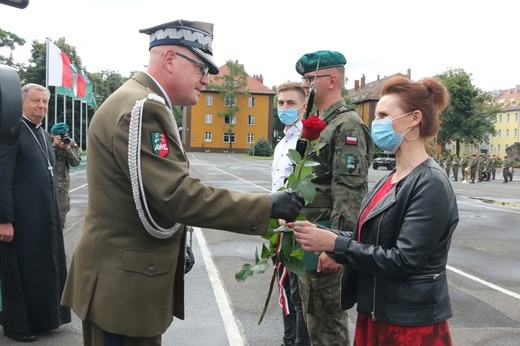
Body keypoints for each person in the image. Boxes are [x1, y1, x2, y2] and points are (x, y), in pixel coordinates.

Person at [60, 19, 304, 346]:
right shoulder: (144, 108)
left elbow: (153, 192)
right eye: (201, 67)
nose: (207, 79)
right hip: (123, 287)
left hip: (121, 280)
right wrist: (266, 206)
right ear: (170, 59)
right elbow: (176, 195)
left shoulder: (140, 101)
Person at [290, 75, 458, 345]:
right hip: (378, 313)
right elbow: (371, 238)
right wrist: (317, 232)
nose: (375, 122)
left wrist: (338, 245)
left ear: (414, 119)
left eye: (383, 114)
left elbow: (404, 261)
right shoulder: (392, 177)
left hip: (408, 324)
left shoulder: (430, 183)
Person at [294, 50, 374, 345]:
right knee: (311, 318)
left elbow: (349, 193)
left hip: (325, 239)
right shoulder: (316, 122)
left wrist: (338, 248)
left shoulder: (346, 126)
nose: (305, 85)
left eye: (311, 78)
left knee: (327, 326)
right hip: (307, 235)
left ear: (332, 80)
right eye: (304, 79)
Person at [0, 83, 71, 342]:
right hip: (21, 218)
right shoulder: (13, 131)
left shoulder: (42, 134)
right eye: (36, 101)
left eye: (45, 102)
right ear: (22, 103)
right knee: (22, 272)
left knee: (43, 267)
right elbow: (2, 177)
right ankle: (16, 326)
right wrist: (4, 219)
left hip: (45, 216)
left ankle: (45, 318)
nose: (41, 106)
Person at [272, 82, 310, 346]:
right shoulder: (282, 143)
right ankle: (289, 340)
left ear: (304, 106)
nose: (284, 108)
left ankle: (297, 343)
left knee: (299, 295)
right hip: (279, 227)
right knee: (284, 288)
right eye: (281, 103)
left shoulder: (307, 142)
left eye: (291, 103)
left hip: (298, 228)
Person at [50, 122, 82, 228]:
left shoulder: (70, 143)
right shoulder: (47, 142)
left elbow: (76, 163)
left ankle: (60, 226)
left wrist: (67, 149)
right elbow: (42, 159)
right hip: (46, 181)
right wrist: (53, 146)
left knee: (62, 209)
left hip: (62, 182)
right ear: (53, 135)